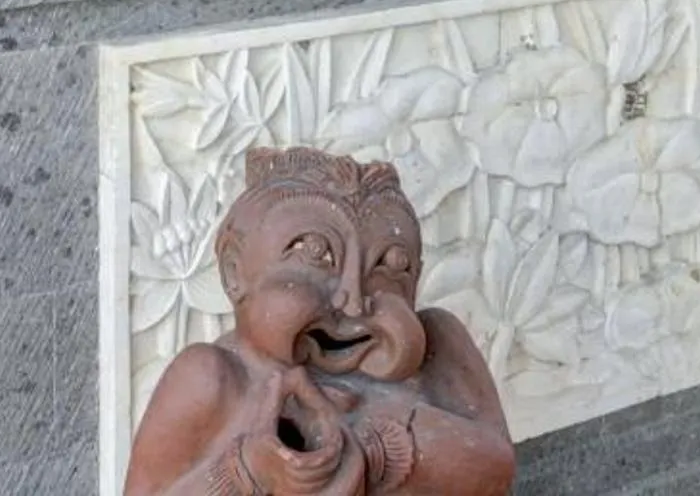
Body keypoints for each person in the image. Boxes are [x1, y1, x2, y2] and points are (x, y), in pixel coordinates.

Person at [125, 147, 516, 496]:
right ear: (234, 271)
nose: (354, 302)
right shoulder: (212, 378)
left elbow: (496, 467)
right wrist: (250, 469)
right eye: (315, 254)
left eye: (389, 265)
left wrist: (374, 443)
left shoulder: (438, 344)